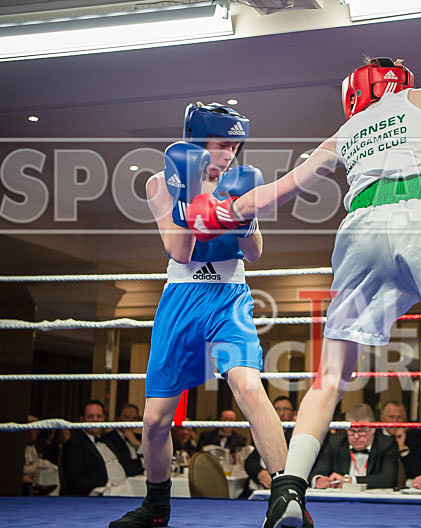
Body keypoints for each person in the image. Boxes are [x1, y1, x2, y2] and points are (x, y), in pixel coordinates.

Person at [187, 57, 421, 527]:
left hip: (359, 230)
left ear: (355, 94)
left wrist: (225, 209)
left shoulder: (348, 129)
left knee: (330, 376)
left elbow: (286, 187)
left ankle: (288, 493)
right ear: (401, 81)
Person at [109, 103, 289, 528]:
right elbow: (180, 251)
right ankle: (156, 508)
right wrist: (191, 198)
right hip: (183, 296)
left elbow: (256, 252)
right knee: (155, 420)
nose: (230, 154)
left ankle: (286, 497)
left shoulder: (242, 183)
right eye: (222, 144)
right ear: (197, 141)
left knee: (248, 386)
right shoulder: (160, 184)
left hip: (230, 295)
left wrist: (242, 220)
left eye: (235, 145)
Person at [310, 404, 399, 490]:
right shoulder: (335, 442)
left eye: (362, 431)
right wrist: (319, 480)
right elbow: (318, 471)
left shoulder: (387, 444)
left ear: (373, 428)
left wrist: (349, 481)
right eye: (352, 431)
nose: (356, 436)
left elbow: (388, 479)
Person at [62, 400, 128, 496]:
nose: (95, 420)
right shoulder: (73, 444)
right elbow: (75, 481)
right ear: (81, 419)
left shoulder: (106, 440)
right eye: (90, 416)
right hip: (99, 495)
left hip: (122, 488)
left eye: (99, 416)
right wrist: (107, 485)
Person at [246, 396, 297, 490]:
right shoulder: (263, 431)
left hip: (285, 486)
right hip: (258, 488)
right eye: (277, 409)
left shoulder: (297, 435)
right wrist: (259, 473)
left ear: (294, 413)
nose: (281, 413)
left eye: (286, 409)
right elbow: (250, 461)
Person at [101, 403, 145, 477]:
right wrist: (143, 463)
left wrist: (138, 445)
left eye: (134, 418)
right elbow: (124, 466)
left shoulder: (141, 437)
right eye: (126, 417)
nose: (130, 421)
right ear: (118, 418)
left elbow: (152, 461)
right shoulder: (108, 438)